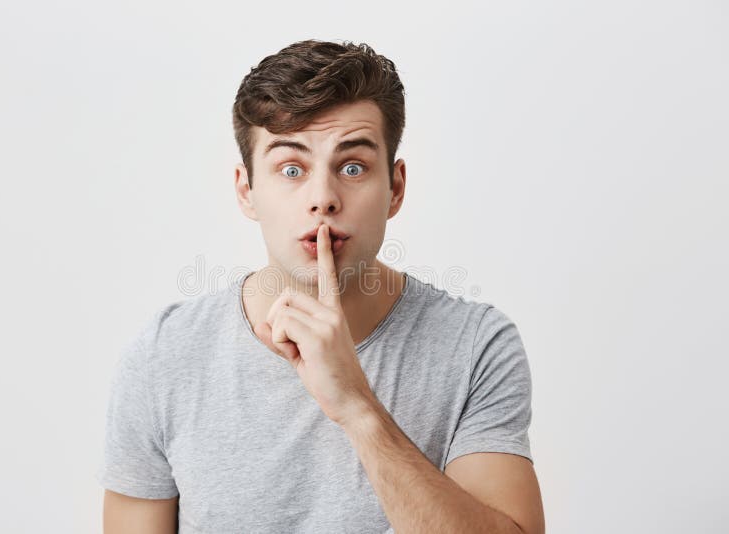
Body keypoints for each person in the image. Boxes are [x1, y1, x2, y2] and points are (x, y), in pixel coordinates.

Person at [97, 39, 545, 534]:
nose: (323, 199)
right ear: (247, 191)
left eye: (352, 167)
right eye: (292, 169)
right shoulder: (166, 355)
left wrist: (357, 405)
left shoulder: (477, 345)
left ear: (395, 188)